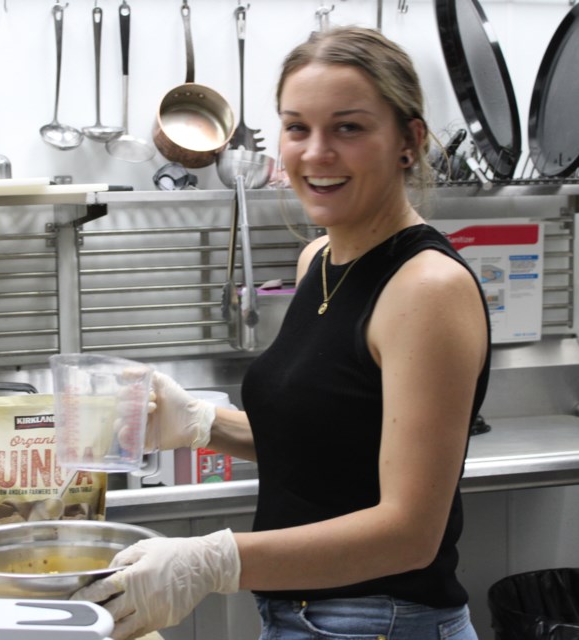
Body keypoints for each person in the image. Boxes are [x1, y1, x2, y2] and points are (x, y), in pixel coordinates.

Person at [73, 26, 491, 640]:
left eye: (348, 128)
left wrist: (214, 560)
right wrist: (205, 423)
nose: (316, 152)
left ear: (409, 141)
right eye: (297, 127)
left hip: (381, 623)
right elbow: (330, 444)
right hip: (300, 617)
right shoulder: (317, 260)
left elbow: (410, 534)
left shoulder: (425, 289)